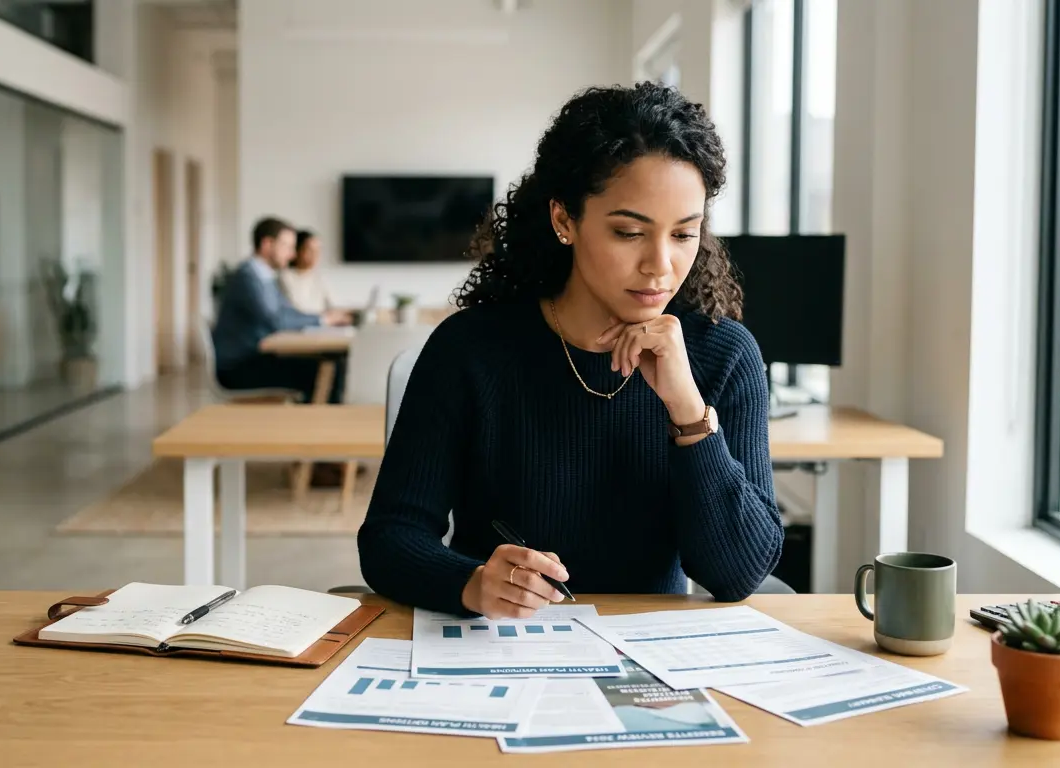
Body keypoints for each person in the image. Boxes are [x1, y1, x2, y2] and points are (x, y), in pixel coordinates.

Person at [357, 84, 784, 618]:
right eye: (629, 232)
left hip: (651, 660)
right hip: (499, 647)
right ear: (564, 220)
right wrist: (469, 582)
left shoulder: (723, 354)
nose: (660, 264)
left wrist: (688, 411)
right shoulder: (471, 349)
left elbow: (739, 574)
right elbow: (389, 537)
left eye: (683, 234)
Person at [213, 217, 352, 402]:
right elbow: (275, 321)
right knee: (323, 370)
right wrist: (323, 321)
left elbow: (288, 311)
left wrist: (322, 317)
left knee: (330, 364)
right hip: (238, 367)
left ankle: (315, 424)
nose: (292, 254)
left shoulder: (263, 276)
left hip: (254, 357)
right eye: (287, 246)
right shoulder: (248, 277)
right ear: (267, 244)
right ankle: (319, 427)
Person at [279, 230, 333, 315]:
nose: (315, 254)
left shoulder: (318, 278)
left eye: (318, 250)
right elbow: (297, 310)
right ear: (297, 251)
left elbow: (329, 307)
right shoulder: (284, 277)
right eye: (310, 250)